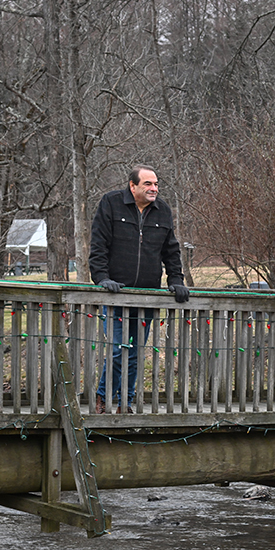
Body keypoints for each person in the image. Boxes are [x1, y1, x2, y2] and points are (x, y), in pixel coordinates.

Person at [89, 165, 189, 414]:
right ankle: (103, 397)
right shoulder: (111, 203)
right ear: (132, 186)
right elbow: (98, 243)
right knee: (117, 350)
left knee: (134, 352)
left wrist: (176, 279)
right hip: (115, 294)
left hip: (146, 296)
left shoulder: (163, 211)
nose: (154, 188)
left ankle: (125, 403)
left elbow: (171, 250)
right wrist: (101, 278)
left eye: (156, 184)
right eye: (148, 184)